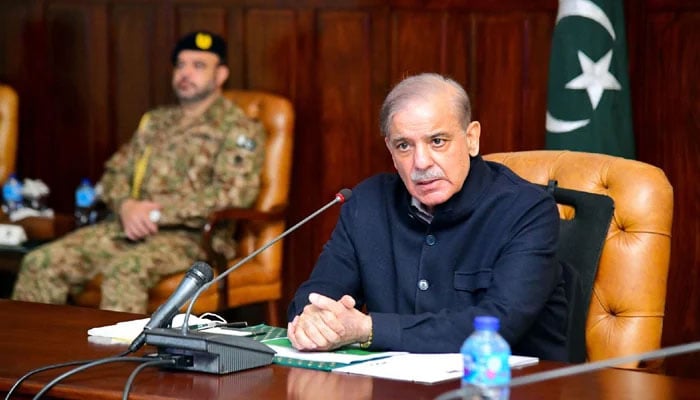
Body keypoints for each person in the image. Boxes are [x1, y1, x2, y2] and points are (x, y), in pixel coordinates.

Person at [287, 73, 567, 361]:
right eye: (404, 146)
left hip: (512, 386)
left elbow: (499, 323)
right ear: (390, 151)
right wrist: (313, 319)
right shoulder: (366, 203)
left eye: (437, 141)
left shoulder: (527, 210)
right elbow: (317, 294)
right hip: (397, 387)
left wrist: (368, 329)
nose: (421, 162)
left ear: (471, 139)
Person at [11, 31, 266, 313]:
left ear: (220, 75)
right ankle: (39, 354)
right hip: (126, 227)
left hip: (191, 238)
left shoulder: (239, 128)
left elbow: (234, 193)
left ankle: (117, 358)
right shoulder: (155, 121)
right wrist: (127, 206)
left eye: (198, 66)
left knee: (125, 271)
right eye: (180, 65)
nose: (186, 73)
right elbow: (114, 174)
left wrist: (155, 212)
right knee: (40, 261)